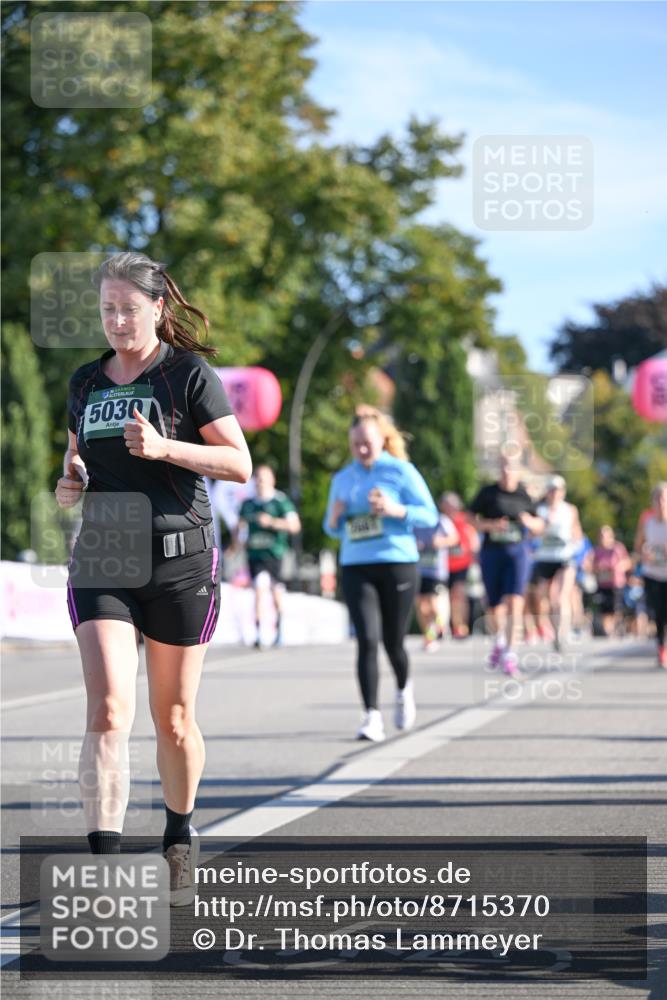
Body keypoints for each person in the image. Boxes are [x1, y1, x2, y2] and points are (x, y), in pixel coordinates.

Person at [55, 252, 252, 905]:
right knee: (108, 708)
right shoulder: (85, 381)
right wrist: (71, 481)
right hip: (105, 552)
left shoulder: (187, 376)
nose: (115, 321)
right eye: (106, 309)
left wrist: (167, 448)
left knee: (171, 717)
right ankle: (103, 867)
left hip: (180, 559)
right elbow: (78, 458)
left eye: (128, 309)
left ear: (158, 309)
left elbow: (238, 463)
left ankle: (178, 833)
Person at [323, 406, 438, 741]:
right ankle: (371, 715)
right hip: (356, 564)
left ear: (382, 440)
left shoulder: (401, 472)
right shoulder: (343, 478)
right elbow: (331, 530)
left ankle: (404, 689)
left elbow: (429, 516)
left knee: (393, 641)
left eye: (367, 443)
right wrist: (335, 515)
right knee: (367, 641)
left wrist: (395, 509)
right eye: (355, 443)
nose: (360, 449)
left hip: (396, 562)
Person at [469, 455, 544, 676]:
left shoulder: (524, 494)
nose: (506, 471)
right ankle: (500, 640)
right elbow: (469, 518)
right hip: (492, 552)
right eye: (502, 466)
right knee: (493, 605)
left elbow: (540, 523)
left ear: (518, 470)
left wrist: (530, 523)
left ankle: (511, 654)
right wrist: (490, 525)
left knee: (515, 601)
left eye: (510, 467)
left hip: (518, 552)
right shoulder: (488, 493)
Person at [234, 465, 301, 648]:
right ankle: (258, 633)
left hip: (275, 554)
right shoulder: (248, 504)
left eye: (264, 477)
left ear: (272, 480)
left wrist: (271, 522)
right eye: (258, 477)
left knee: (276, 593)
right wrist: (237, 544)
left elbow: (294, 526)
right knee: (259, 589)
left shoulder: (280, 501)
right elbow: (239, 529)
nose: (261, 481)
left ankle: (279, 629)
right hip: (255, 555)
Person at [531, 475, 583, 650]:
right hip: (544, 558)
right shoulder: (539, 510)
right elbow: (531, 533)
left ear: (563, 492)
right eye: (551, 490)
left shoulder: (570, 510)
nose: (554, 493)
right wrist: (542, 528)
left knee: (561, 597)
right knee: (548, 599)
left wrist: (574, 545)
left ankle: (562, 633)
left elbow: (578, 534)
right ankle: (554, 631)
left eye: (558, 490)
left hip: (564, 557)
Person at [414, 512, 459, 651]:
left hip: (436, 571)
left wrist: (440, 542)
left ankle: (438, 628)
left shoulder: (441, 520)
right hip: (418, 571)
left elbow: (455, 538)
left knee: (434, 604)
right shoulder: (414, 519)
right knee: (422, 607)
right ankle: (428, 636)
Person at [634, 483, 667, 667]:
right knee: (658, 614)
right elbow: (638, 546)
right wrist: (644, 553)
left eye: (664, 498)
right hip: (652, 574)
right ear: (653, 501)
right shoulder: (647, 522)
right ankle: (661, 648)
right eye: (658, 498)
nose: (661, 502)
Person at [440, 492, 479, 639]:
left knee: (459, 594)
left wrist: (474, 555)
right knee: (445, 597)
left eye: (453, 505)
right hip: (442, 565)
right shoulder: (440, 520)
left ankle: (460, 626)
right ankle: (444, 626)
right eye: (447, 505)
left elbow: (472, 537)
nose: (451, 508)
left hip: (462, 563)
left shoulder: (463, 519)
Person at [592, 526, 632, 637]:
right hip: (602, 583)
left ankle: (616, 628)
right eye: (601, 536)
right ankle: (608, 631)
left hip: (616, 584)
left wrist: (617, 568)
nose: (603, 539)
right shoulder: (597, 550)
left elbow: (628, 562)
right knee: (604, 608)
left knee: (616, 608)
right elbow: (590, 566)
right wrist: (599, 569)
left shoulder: (617, 548)